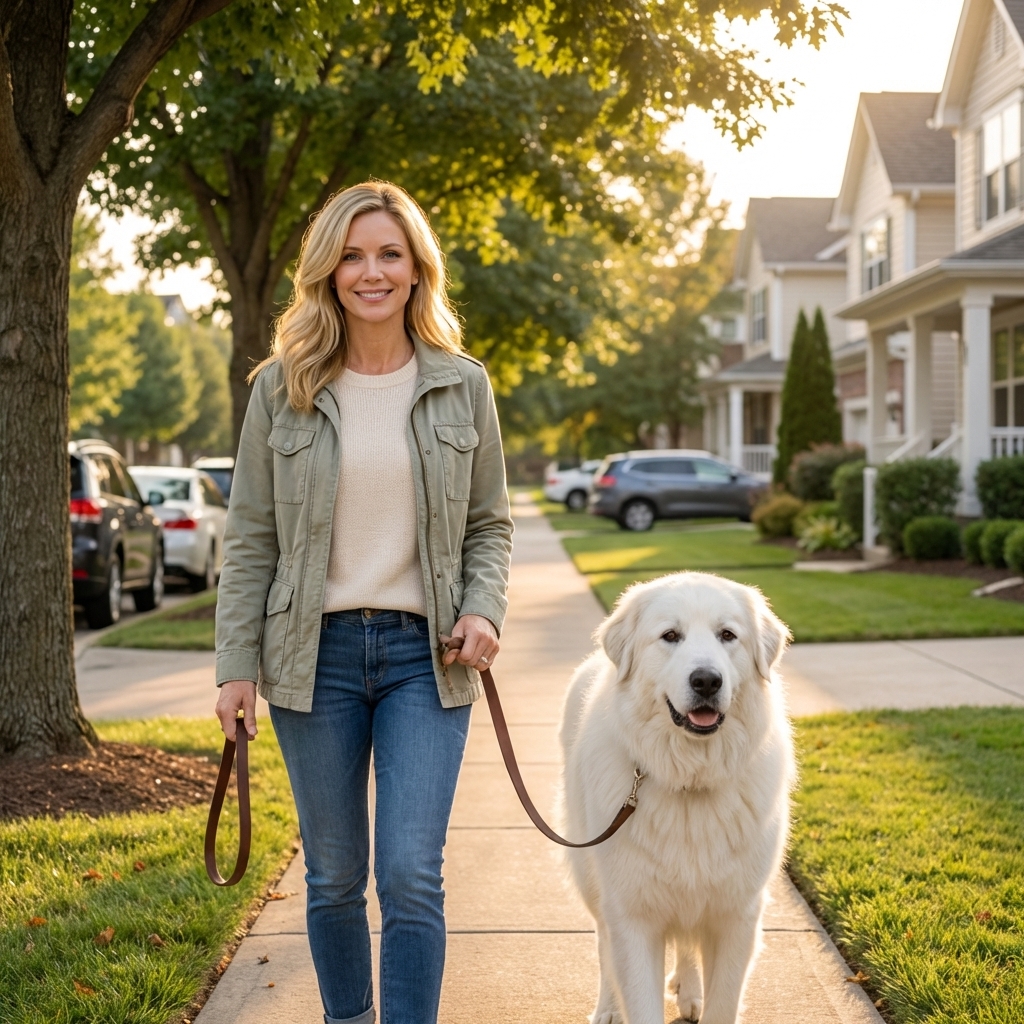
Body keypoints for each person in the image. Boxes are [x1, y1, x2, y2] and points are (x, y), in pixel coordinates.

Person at [214, 180, 513, 1024]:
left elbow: (490, 524)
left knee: (412, 871)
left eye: (388, 253)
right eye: (351, 254)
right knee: (334, 875)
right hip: (316, 658)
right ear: (327, 271)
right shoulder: (284, 387)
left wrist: (484, 610)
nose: (370, 271)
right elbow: (251, 540)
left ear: (418, 270)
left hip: (429, 659)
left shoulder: (463, 385)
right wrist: (236, 666)